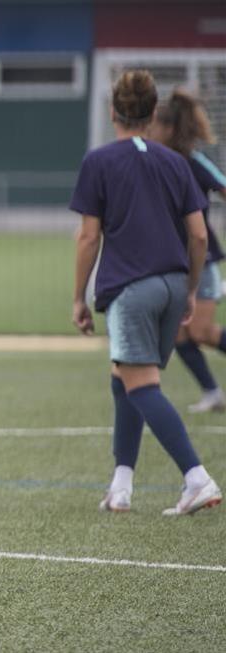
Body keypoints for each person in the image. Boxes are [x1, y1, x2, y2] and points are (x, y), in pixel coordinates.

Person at [70, 69, 221, 516]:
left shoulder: (98, 162)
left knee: (142, 385)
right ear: (152, 112)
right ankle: (122, 485)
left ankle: (196, 478)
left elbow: (88, 238)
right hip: (174, 286)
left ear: (113, 112)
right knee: (126, 379)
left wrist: (78, 297)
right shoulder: (175, 161)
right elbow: (197, 237)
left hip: (131, 290)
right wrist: (190, 289)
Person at [153, 90, 226, 413]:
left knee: (201, 331)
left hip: (202, 259)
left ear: (168, 128)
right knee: (179, 336)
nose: (150, 130)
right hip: (174, 263)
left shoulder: (193, 163)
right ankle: (212, 392)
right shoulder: (157, 162)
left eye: (154, 125)